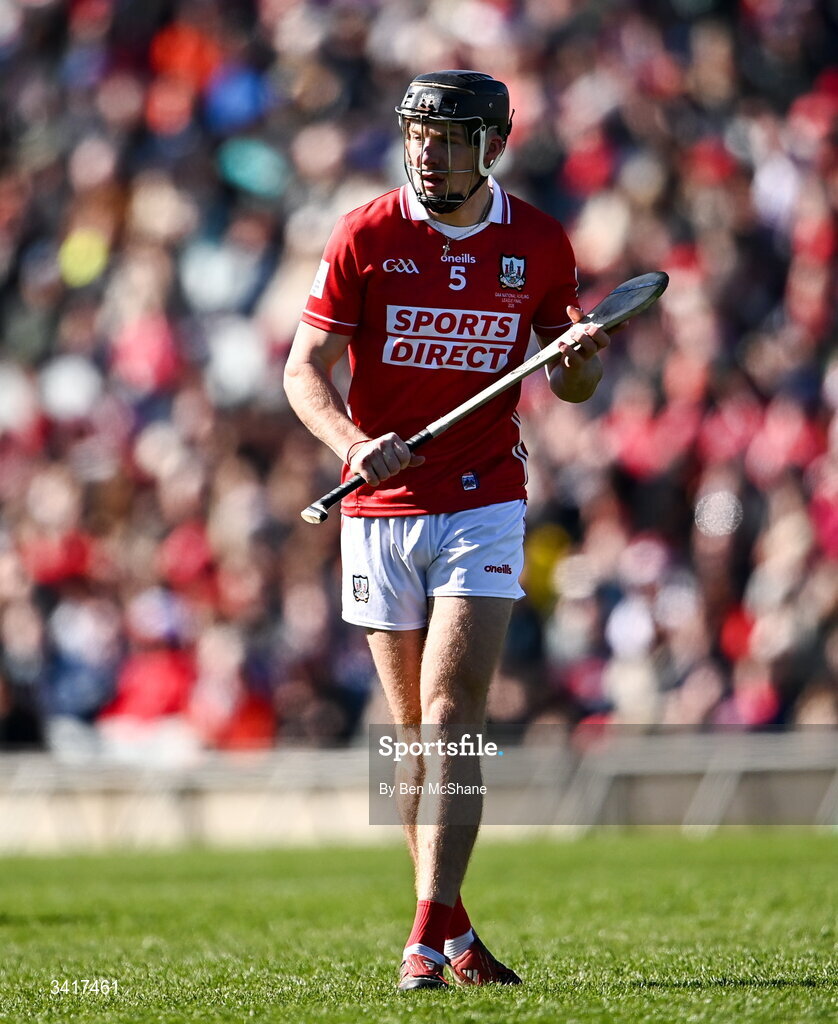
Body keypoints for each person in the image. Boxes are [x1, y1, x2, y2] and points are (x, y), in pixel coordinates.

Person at [283, 69, 612, 990]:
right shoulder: (367, 233)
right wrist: (352, 444)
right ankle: (457, 931)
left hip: (483, 496)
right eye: (420, 134)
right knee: (411, 740)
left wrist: (580, 358)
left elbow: (569, 378)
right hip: (382, 506)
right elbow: (303, 368)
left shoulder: (539, 242)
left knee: (451, 710)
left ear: (492, 145)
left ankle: (422, 938)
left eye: (452, 136)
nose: (430, 152)